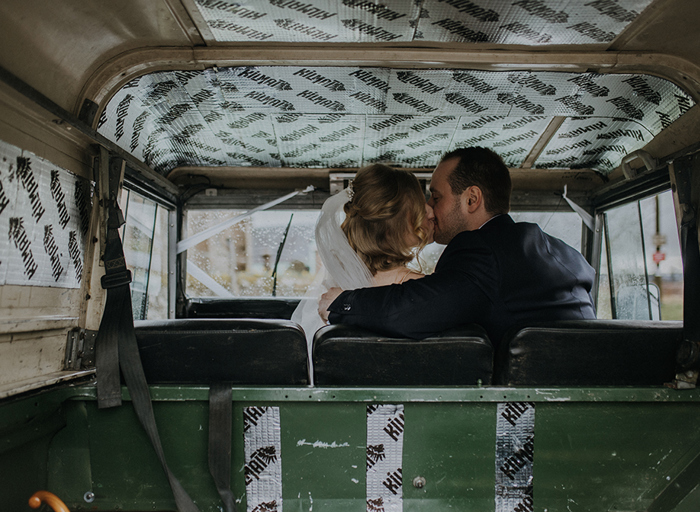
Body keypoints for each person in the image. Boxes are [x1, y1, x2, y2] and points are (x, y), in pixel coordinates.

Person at [319, 147, 596, 349]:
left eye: (436, 197)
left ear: (472, 199)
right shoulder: (568, 255)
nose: (429, 209)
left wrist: (341, 302)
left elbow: (413, 310)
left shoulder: (480, 249)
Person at [291, 163, 433, 349]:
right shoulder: (422, 290)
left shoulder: (329, 293)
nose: (430, 211)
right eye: (419, 205)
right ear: (390, 227)